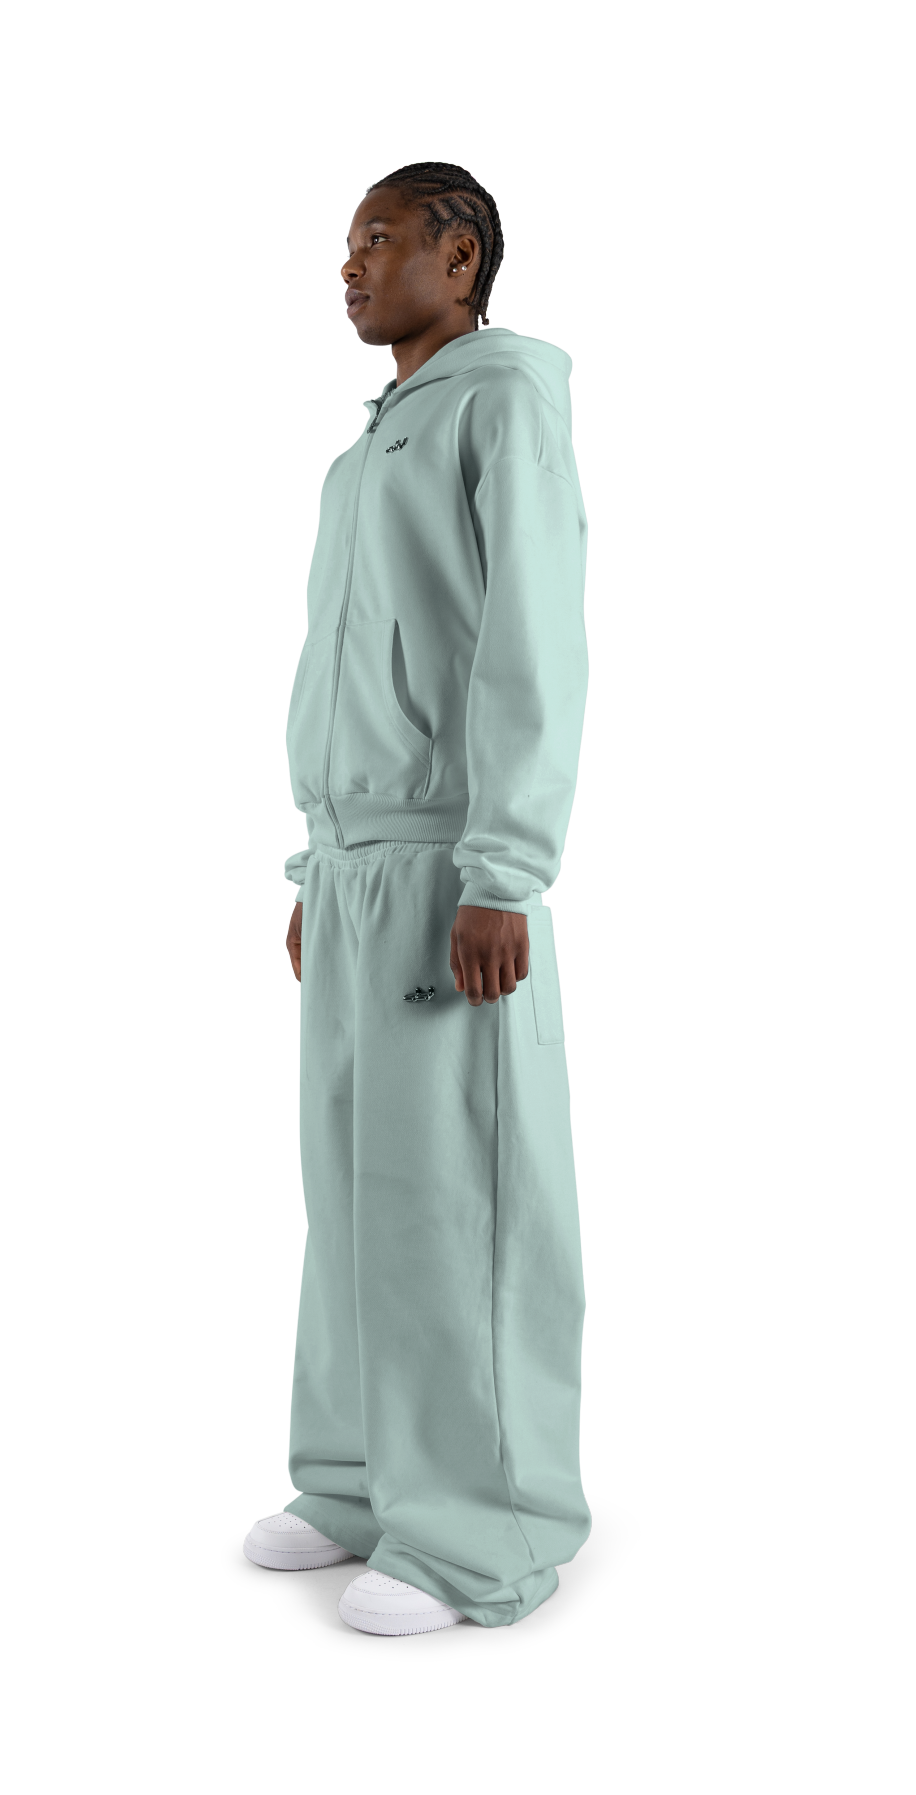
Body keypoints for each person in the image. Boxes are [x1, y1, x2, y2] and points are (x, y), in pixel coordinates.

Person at [243, 163, 590, 1636]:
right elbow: (332, 667)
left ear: (462, 259)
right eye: (346, 242)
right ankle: (352, 1481)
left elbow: (531, 640)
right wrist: (310, 861)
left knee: (454, 1199)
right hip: (357, 863)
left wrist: (506, 867)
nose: (351, 265)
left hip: (452, 858)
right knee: (351, 1194)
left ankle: (479, 1536)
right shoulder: (379, 431)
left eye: (380, 239)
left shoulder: (503, 403)